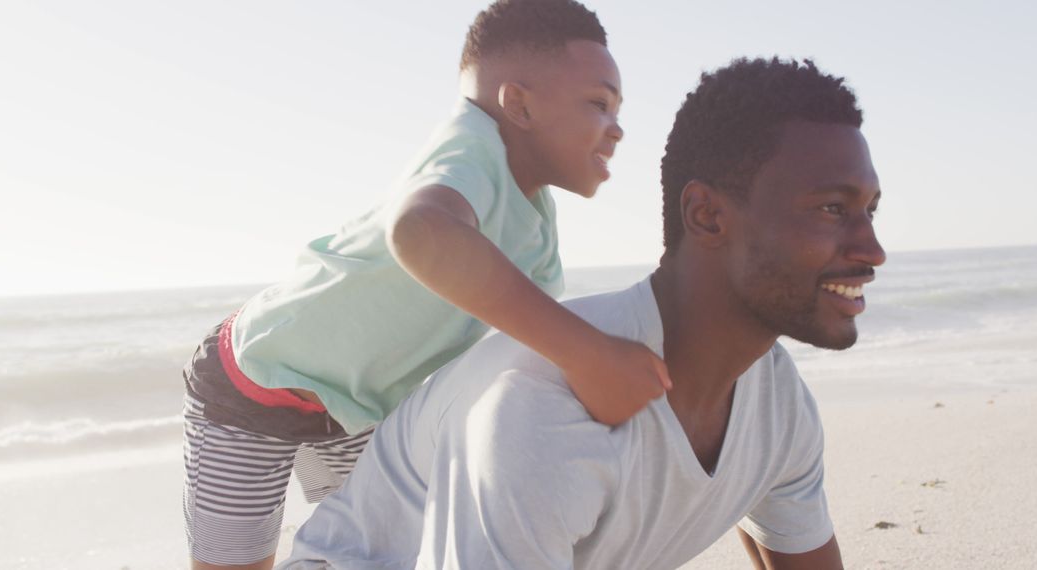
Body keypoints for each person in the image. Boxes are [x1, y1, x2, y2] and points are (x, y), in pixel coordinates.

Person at [278, 57, 886, 570]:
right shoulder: (538, 414)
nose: (872, 250)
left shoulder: (777, 406)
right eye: (833, 209)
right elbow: (421, 229)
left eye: (870, 211)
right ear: (707, 216)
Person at [181, 1, 672, 568]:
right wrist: (591, 353)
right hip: (249, 388)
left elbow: (524, 350)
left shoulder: (538, 234)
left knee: (381, 553)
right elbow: (421, 230)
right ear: (518, 104)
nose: (617, 128)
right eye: (598, 103)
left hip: (353, 417)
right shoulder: (473, 147)